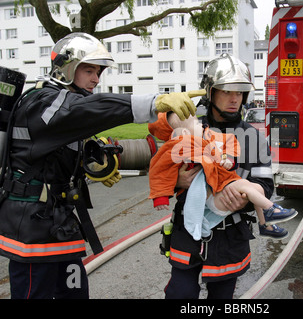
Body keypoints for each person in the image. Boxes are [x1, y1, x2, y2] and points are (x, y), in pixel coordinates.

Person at [0, 32, 203, 299]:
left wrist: (96, 165)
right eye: (89, 70)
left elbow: (60, 151)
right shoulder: (43, 102)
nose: (96, 78)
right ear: (67, 68)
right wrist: (152, 102)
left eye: (99, 71)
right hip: (32, 233)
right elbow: (85, 110)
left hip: (59, 224)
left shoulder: (62, 104)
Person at [158, 53, 282, 299]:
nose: (234, 98)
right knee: (180, 294)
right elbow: (160, 171)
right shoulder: (189, 129)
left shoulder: (254, 138)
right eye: (227, 91)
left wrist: (246, 199)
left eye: (240, 92)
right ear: (211, 92)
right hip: (188, 232)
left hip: (230, 236)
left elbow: (266, 185)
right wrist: (177, 181)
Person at [148, 112, 297, 240]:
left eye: (238, 93)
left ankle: (266, 225)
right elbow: (159, 170)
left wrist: (229, 160)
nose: (201, 124)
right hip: (213, 196)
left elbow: (225, 145)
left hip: (221, 190)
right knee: (245, 185)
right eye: (196, 123)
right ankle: (270, 209)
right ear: (185, 133)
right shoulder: (178, 146)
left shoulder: (207, 139)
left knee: (255, 188)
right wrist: (168, 190)